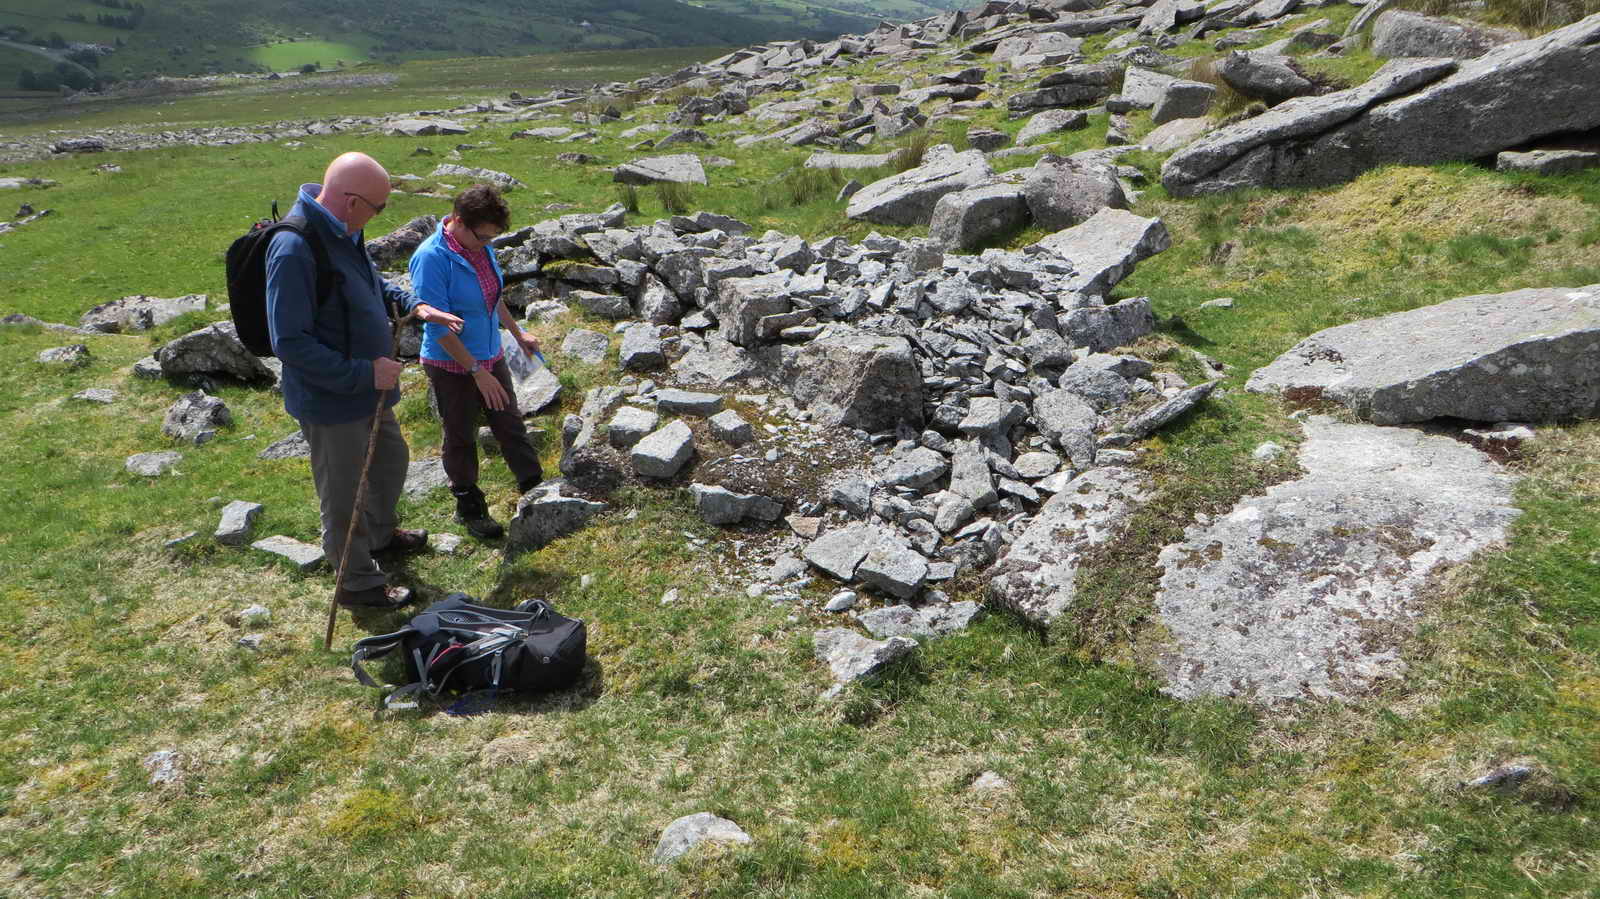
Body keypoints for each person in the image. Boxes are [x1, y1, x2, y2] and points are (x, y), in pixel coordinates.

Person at [265, 152, 462, 609]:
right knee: (343, 494)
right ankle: (356, 583)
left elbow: (369, 284)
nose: (378, 216)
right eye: (378, 208)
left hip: (368, 394)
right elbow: (289, 342)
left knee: (391, 460)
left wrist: (414, 305)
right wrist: (364, 372)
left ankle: (377, 536)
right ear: (352, 201)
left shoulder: (343, 230)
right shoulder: (296, 247)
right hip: (332, 400)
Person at [409, 183, 544, 540]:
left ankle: (535, 488)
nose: (488, 243)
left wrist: (517, 334)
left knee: (509, 421)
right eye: (483, 237)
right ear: (458, 222)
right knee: (460, 434)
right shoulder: (431, 258)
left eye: (492, 238)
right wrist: (476, 372)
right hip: (450, 363)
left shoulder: (482, 250)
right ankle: (469, 506)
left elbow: (492, 296)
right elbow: (437, 327)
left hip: (490, 352)